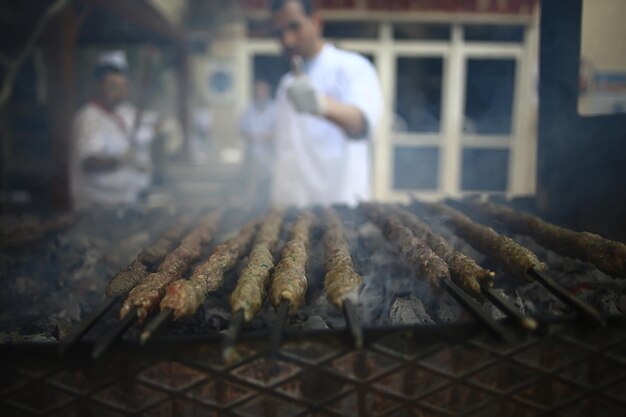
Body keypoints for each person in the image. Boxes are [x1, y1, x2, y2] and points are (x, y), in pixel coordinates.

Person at [270, 0, 383, 207]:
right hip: (293, 207)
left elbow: (361, 124)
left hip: (342, 205)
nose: (287, 40)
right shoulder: (286, 83)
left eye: (294, 27)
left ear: (316, 21)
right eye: (279, 33)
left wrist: (321, 105)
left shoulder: (352, 67)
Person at [70, 51, 155, 210]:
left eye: (123, 87)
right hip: (96, 207)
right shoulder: (89, 118)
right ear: (97, 86)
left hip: (123, 204)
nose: (120, 93)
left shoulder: (121, 112)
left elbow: (149, 124)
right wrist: (121, 160)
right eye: (113, 87)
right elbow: (89, 162)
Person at [239, 79, 277, 208]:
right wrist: (250, 136)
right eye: (258, 90)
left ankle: (270, 205)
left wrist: (269, 136)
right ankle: (251, 206)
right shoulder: (249, 108)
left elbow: (280, 130)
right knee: (251, 180)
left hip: (270, 153)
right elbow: (242, 129)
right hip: (253, 152)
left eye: (263, 90)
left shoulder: (274, 109)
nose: (260, 93)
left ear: (267, 92)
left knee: (270, 181)